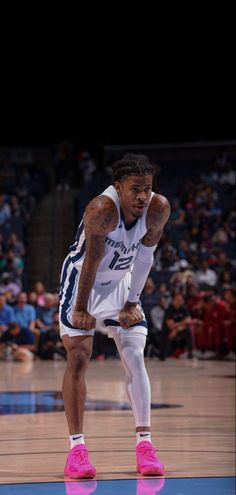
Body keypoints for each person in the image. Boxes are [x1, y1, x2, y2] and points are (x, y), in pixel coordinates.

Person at [59, 153, 170, 479]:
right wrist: (81, 309)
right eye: (135, 189)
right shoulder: (102, 210)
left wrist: (131, 302)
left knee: (135, 354)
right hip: (84, 282)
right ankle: (76, 451)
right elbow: (92, 261)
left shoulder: (158, 209)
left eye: (147, 189)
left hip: (122, 283)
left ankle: (145, 445)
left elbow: (145, 257)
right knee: (79, 356)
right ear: (118, 187)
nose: (142, 197)